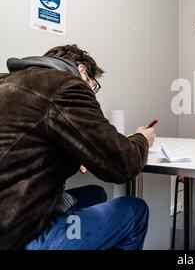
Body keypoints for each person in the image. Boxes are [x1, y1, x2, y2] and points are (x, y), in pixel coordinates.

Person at [0, 45, 156, 250]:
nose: (93, 92)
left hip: (10, 214)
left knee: (96, 194)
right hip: (18, 237)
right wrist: (141, 139)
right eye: (94, 85)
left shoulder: (9, 83)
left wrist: (75, 152)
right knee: (135, 210)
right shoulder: (66, 85)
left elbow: (24, 148)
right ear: (82, 71)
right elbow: (123, 165)